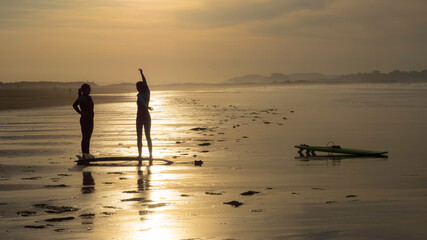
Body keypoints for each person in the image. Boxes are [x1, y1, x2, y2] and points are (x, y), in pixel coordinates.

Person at [73, 83, 95, 160]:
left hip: (90, 119)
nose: (90, 90)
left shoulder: (89, 97)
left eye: (90, 89)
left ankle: (87, 153)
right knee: (85, 137)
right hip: (85, 119)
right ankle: (84, 154)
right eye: (88, 89)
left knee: (88, 137)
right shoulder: (82, 98)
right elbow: (74, 105)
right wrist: (80, 112)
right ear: (84, 90)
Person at [136, 68, 153, 161]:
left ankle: (150, 154)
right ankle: (140, 155)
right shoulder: (139, 95)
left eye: (138, 88)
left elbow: (145, 82)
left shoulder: (146, 94)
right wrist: (141, 74)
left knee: (147, 136)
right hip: (139, 117)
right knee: (139, 136)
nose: (137, 89)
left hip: (146, 117)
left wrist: (142, 74)